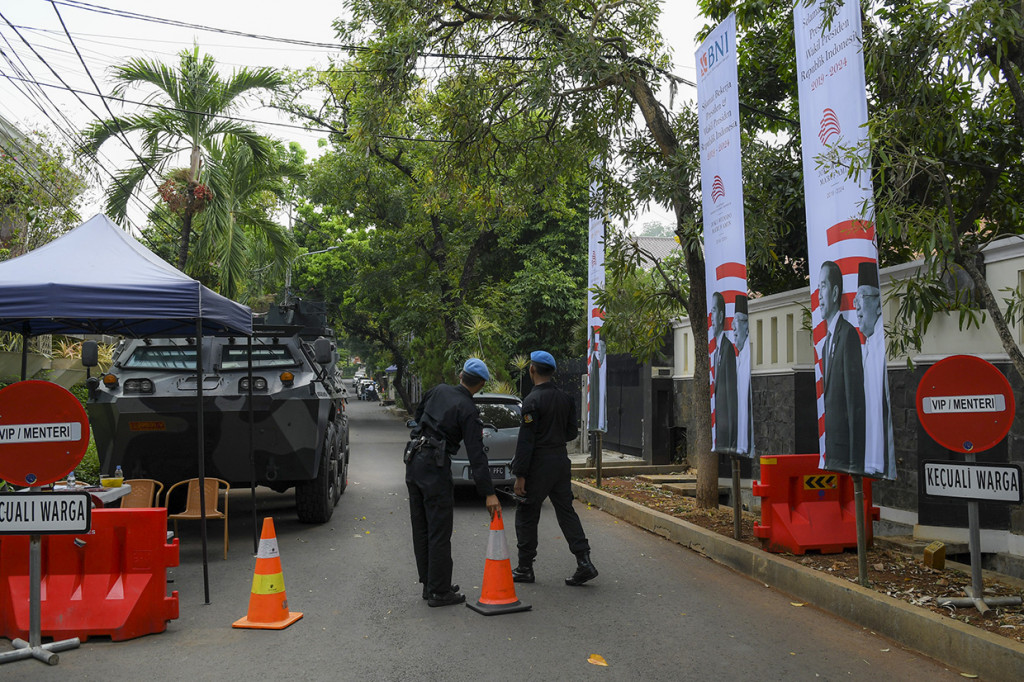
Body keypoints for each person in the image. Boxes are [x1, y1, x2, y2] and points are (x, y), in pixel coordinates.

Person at [406, 358, 501, 607]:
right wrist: (488, 493)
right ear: (480, 384)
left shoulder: (438, 390)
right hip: (435, 466)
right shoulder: (468, 409)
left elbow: (418, 415)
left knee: (422, 526)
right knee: (439, 528)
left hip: (414, 459)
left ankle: (431, 584)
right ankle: (439, 591)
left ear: (461, 375)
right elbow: (476, 452)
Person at [511, 351, 597, 586]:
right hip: (560, 460)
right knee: (566, 511)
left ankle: (525, 567)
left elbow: (526, 441)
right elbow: (571, 432)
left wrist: (520, 474)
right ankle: (584, 561)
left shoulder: (531, 401)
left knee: (527, 513)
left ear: (532, 370)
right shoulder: (565, 398)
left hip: (539, 463)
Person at [818, 260, 865, 474]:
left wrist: (856, 463)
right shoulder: (826, 343)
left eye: (823, 286)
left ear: (835, 292)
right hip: (832, 452)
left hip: (847, 455)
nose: (819, 295)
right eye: (818, 288)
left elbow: (855, 404)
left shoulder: (848, 335)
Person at [853, 262, 895, 478]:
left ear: (880, 304)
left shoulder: (885, 341)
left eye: (862, 298)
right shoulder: (869, 342)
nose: (856, 308)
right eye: (855, 300)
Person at [710, 292, 738, 453]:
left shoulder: (727, 349)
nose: (711, 317)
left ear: (721, 316)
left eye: (713, 311)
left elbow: (731, 395)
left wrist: (732, 433)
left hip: (727, 431)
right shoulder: (716, 351)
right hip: (720, 429)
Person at [733, 295, 753, 456]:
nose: (732, 327)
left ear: (747, 326)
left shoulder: (748, 355)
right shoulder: (737, 357)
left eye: (737, 321)